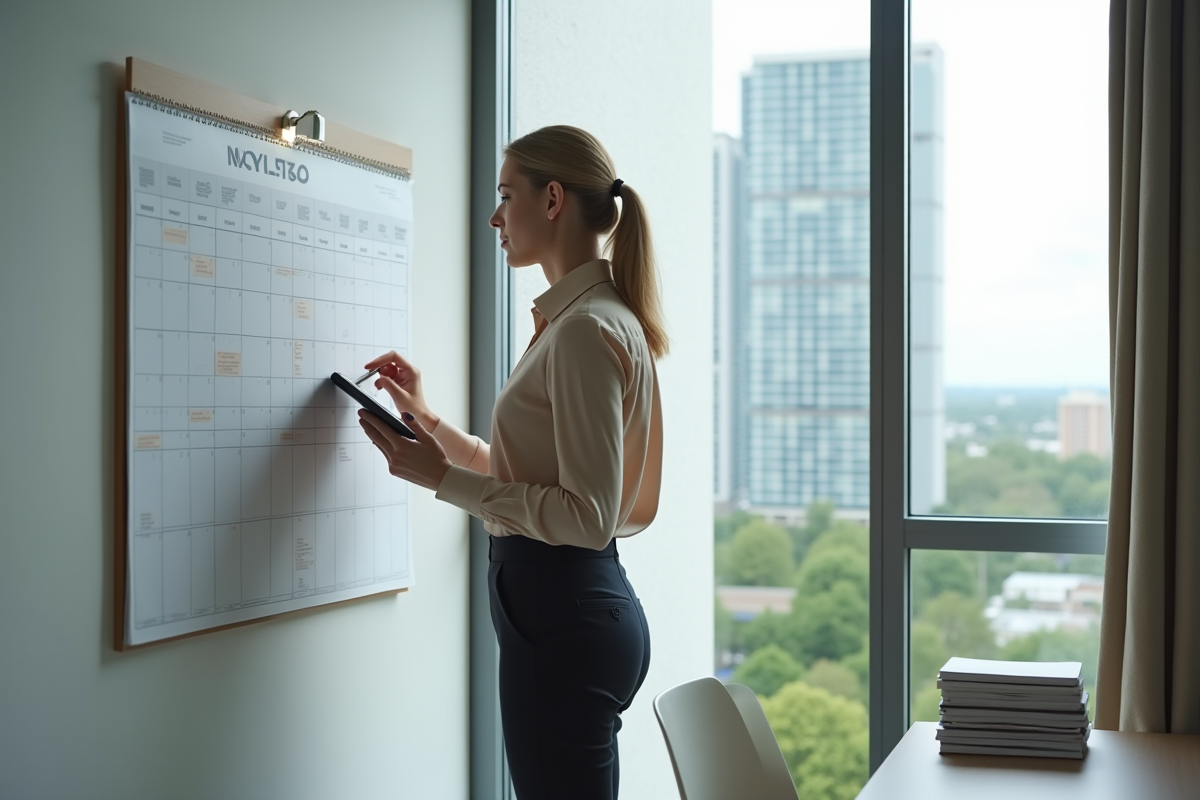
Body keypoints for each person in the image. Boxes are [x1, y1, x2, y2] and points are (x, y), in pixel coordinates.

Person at [356, 125, 666, 800]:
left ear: (552, 199)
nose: (495, 217)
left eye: (506, 195)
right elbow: (538, 476)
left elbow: (584, 517)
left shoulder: (585, 331)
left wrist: (443, 481)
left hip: (563, 616)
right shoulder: (584, 318)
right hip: (569, 614)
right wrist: (428, 423)